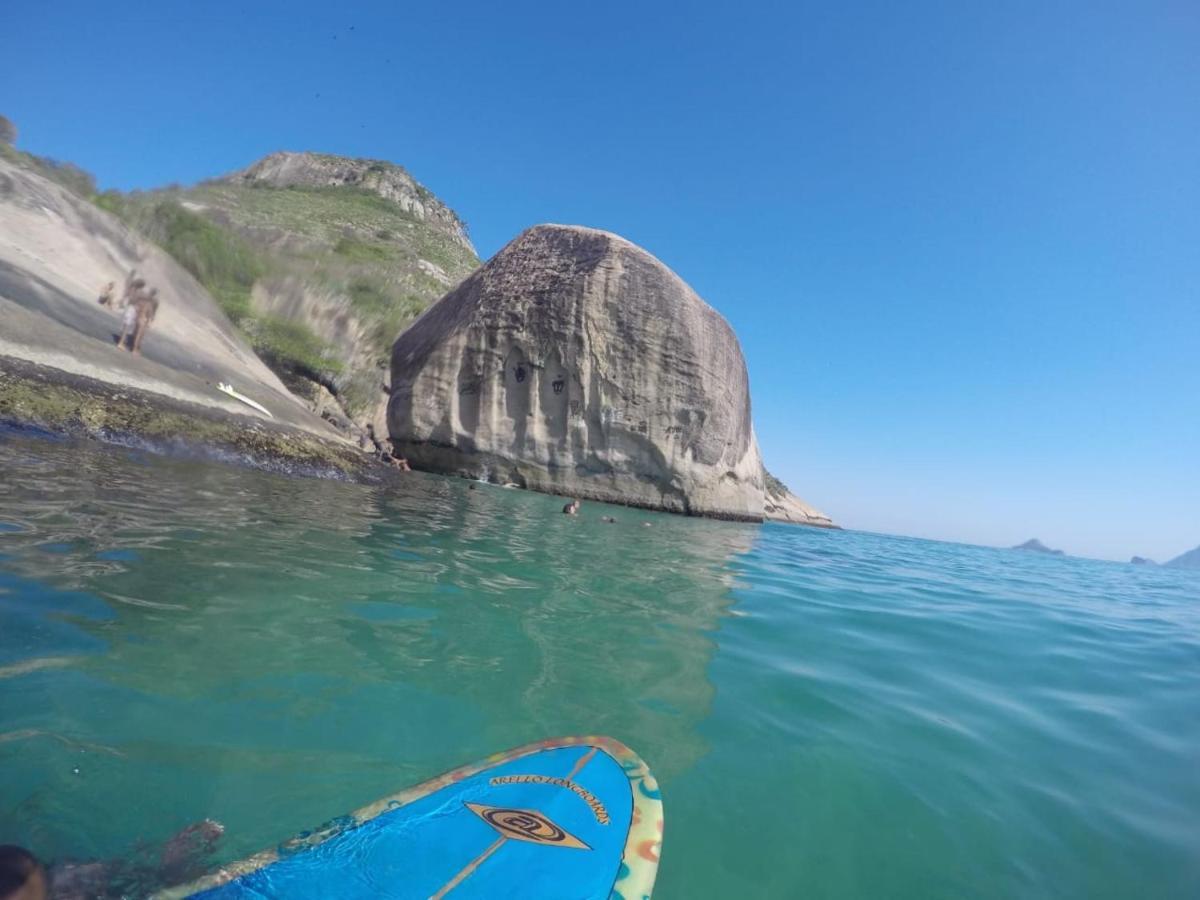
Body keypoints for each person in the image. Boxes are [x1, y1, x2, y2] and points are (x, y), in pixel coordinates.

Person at [131, 288, 160, 355]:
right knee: (139, 335)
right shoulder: (151, 304)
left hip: (138, 318)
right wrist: (150, 320)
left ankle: (134, 347)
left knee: (136, 333)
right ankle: (134, 349)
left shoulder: (144, 300)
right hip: (143, 320)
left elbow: (137, 307)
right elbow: (151, 314)